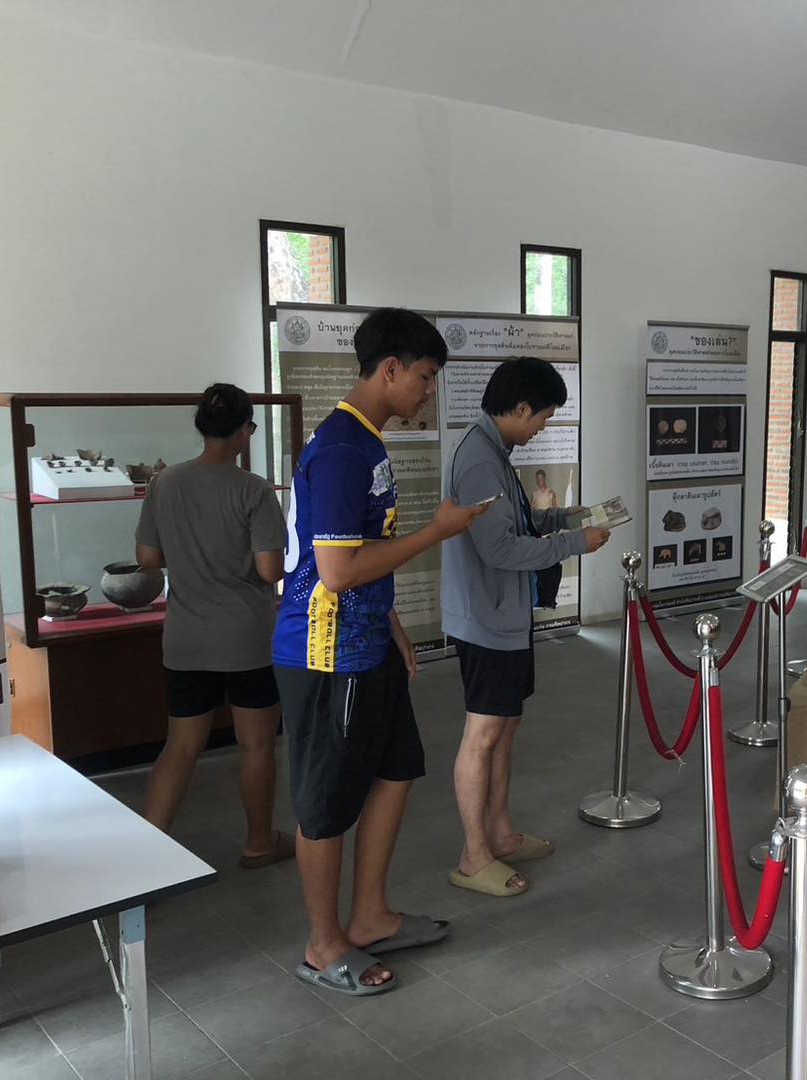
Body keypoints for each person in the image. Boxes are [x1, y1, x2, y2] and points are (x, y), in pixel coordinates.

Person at [273, 308, 486, 997]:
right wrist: (439, 531)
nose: (429, 390)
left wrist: (390, 620)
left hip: (366, 643)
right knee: (325, 804)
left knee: (396, 770)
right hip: (326, 652)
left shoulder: (367, 441)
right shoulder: (342, 448)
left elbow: (360, 553)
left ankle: (368, 916)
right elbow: (336, 572)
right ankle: (322, 943)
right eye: (425, 376)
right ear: (390, 369)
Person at [442, 357, 610, 897]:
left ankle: (499, 834)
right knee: (483, 734)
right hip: (486, 618)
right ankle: (474, 858)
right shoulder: (479, 460)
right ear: (519, 408)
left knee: (505, 726)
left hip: (504, 617)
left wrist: (566, 519)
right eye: (543, 417)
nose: (542, 427)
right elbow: (498, 549)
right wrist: (574, 543)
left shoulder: (494, 452)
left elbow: (517, 523)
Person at [136, 384, 291, 869]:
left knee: (180, 747)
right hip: (246, 638)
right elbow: (270, 570)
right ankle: (259, 842)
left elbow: (148, 558)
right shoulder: (254, 489)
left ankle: (148, 857)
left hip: (185, 637)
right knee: (256, 743)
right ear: (244, 431)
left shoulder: (165, 482)